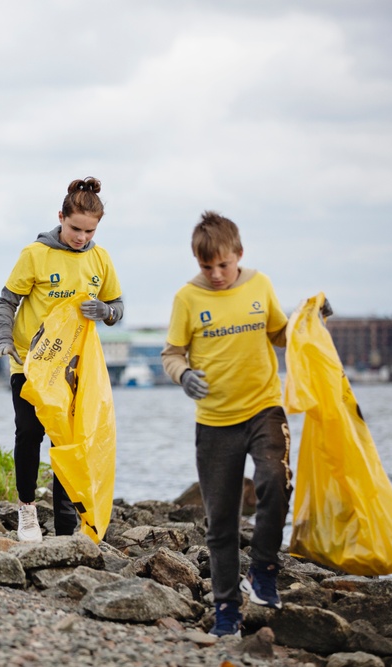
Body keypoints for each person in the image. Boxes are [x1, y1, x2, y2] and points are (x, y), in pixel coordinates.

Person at [162, 211, 308, 638]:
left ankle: (263, 571)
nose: (216, 274)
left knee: (274, 483)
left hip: (264, 409)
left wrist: (310, 319)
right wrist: (184, 375)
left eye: (223, 265)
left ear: (238, 254)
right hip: (215, 424)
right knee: (221, 522)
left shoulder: (260, 286)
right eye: (207, 267)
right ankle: (227, 609)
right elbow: (172, 354)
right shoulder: (187, 298)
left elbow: (282, 334)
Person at [0, 177, 124, 543]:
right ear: (60, 217)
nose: (81, 237)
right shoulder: (35, 254)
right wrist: (4, 337)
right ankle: (28, 511)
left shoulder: (101, 259)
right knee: (30, 434)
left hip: (74, 369)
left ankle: (66, 525)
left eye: (89, 230)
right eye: (75, 228)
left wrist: (106, 311)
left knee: (69, 444)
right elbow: (6, 301)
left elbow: (118, 308)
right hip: (31, 364)